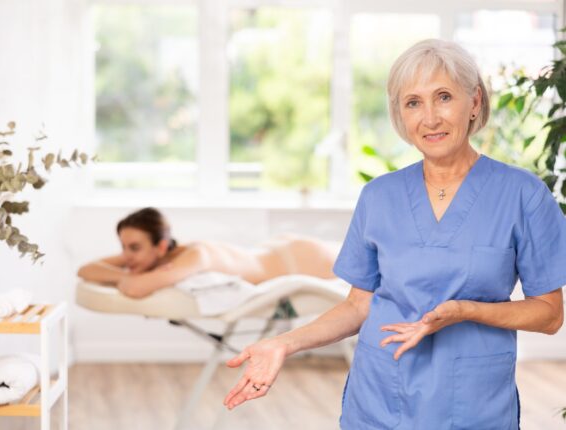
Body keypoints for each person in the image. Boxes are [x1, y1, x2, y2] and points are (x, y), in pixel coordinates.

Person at [222, 39, 566, 429]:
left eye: (443, 97)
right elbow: (357, 306)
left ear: (474, 103)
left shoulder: (522, 194)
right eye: (413, 103)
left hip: (472, 403)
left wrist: (465, 310)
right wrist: (285, 342)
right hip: (381, 397)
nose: (430, 118)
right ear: (400, 115)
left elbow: (550, 315)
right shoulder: (379, 196)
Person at [76, 207, 340, 298]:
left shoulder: (193, 256)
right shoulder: (161, 254)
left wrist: (120, 275)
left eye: (134, 248)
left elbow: (135, 288)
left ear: (161, 246)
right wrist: (125, 267)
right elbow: (85, 269)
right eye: (123, 248)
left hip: (301, 260)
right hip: (278, 249)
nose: (126, 256)